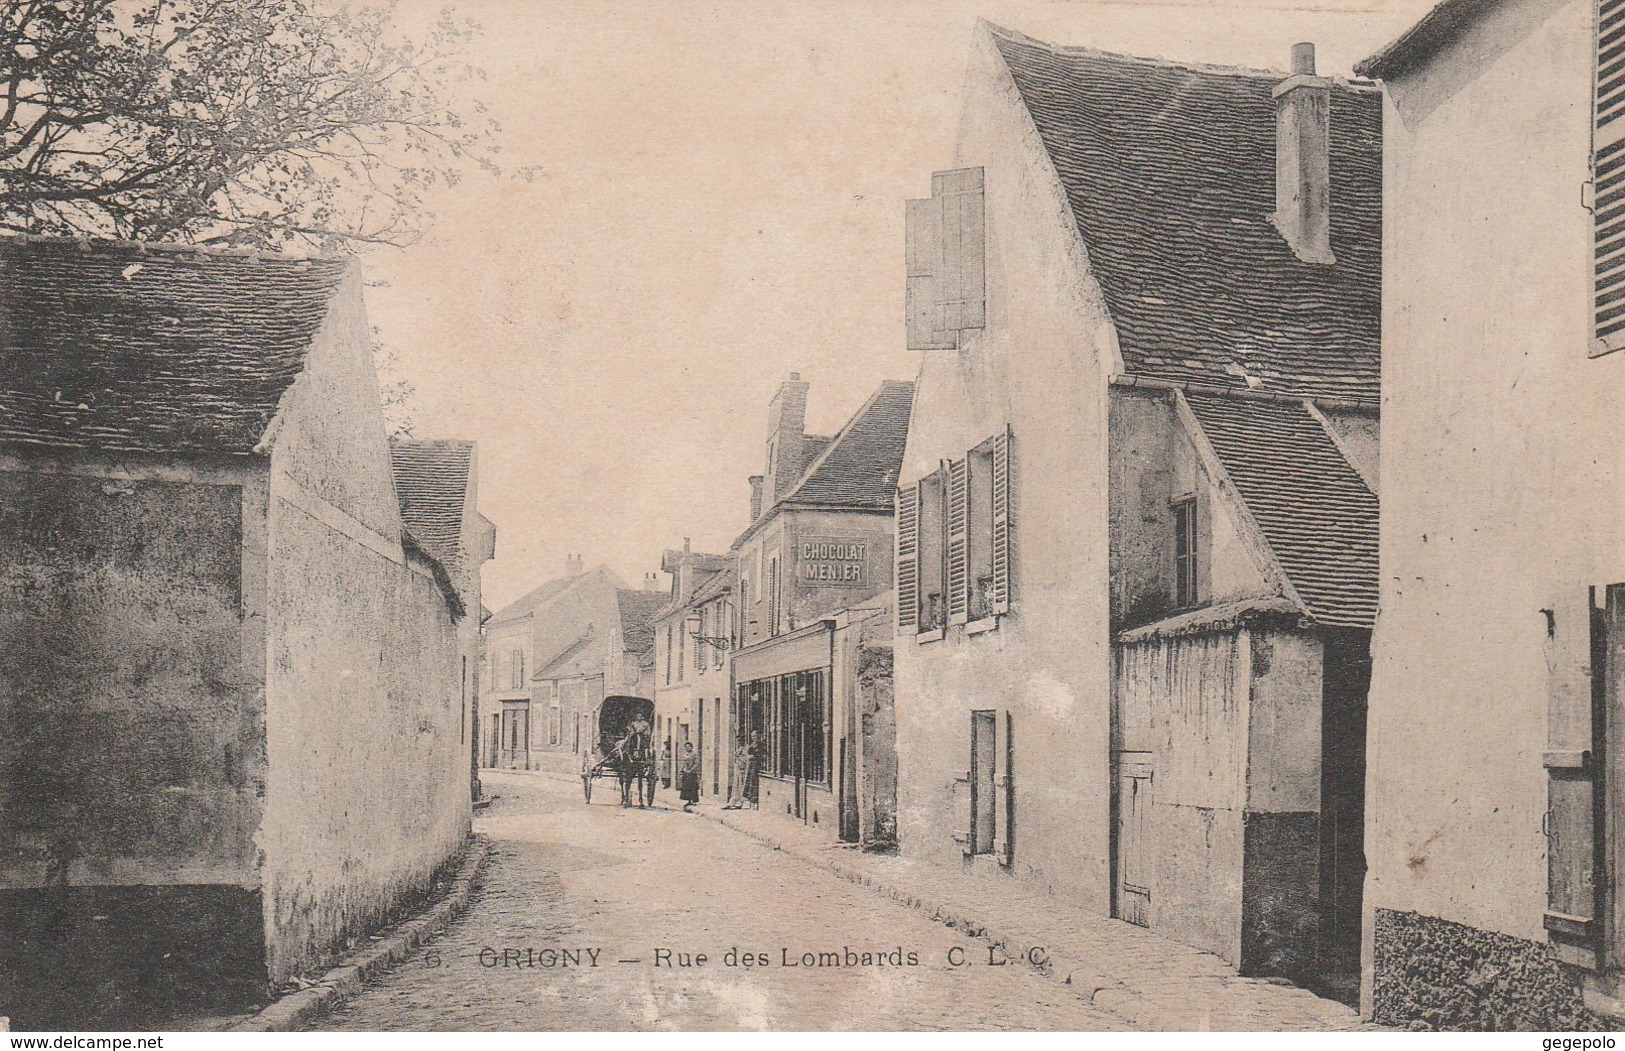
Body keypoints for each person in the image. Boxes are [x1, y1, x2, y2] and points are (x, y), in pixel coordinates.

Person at [724, 741, 749, 809]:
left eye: (740, 740)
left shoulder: (746, 748)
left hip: (743, 770)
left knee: (742, 787)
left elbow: (747, 759)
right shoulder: (740, 748)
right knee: (736, 787)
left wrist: (739, 757)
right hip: (738, 769)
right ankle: (733, 802)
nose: (739, 742)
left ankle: (741, 803)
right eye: (738, 740)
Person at [678, 742, 701, 812]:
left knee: (692, 787)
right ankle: (688, 800)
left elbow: (697, 763)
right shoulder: (685, 754)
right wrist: (682, 770)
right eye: (686, 747)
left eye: (689, 746)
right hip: (685, 773)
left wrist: (691, 770)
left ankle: (693, 800)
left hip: (692, 773)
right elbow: (683, 763)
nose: (687, 748)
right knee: (686, 787)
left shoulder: (695, 754)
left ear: (691, 747)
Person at [743, 730, 763, 810]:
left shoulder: (761, 745)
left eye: (756, 736)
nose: (754, 738)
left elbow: (760, 754)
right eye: (753, 737)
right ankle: (751, 800)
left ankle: (754, 801)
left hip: (756, 765)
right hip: (751, 765)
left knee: (754, 781)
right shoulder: (752, 744)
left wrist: (753, 756)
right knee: (750, 781)